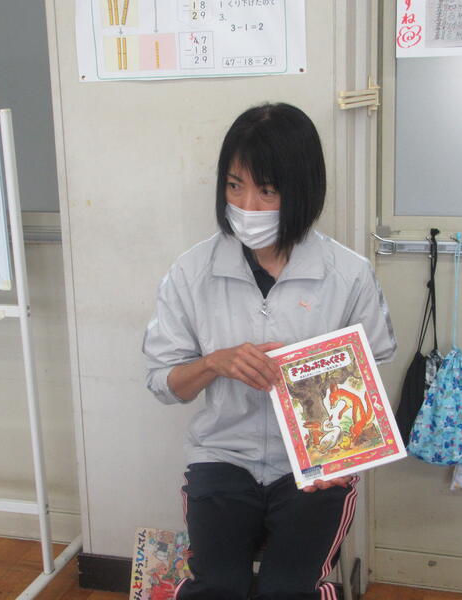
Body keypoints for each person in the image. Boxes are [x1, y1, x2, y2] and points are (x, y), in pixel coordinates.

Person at [142, 103, 396, 600]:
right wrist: (213, 363)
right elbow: (163, 383)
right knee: (218, 587)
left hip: (314, 466)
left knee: (288, 590)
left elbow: (372, 371)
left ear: (302, 190)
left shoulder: (349, 275)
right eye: (234, 186)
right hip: (222, 457)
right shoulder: (192, 272)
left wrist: (337, 459)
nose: (247, 206)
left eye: (268, 190)